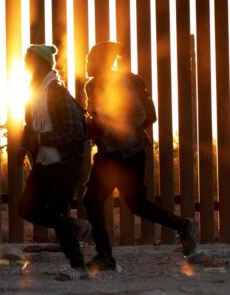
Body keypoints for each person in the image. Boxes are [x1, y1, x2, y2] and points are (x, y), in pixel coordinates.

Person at [83, 41, 198, 271]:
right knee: (93, 200)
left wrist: (109, 125)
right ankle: (105, 255)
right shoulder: (91, 86)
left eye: (91, 59)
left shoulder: (120, 81)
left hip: (129, 152)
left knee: (137, 205)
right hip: (108, 152)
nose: (87, 63)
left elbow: (141, 114)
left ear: (103, 61)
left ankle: (183, 225)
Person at [16, 44, 90, 281]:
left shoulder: (56, 91)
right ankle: (75, 227)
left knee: (57, 214)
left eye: (31, 61)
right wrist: (24, 146)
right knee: (26, 208)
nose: (27, 65)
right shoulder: (34, 92)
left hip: (64, 164)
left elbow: (74, 130)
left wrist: (39, 139)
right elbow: (31, 126)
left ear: (43, 64)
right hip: (44, 163)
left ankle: (77, 265)